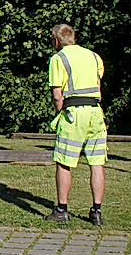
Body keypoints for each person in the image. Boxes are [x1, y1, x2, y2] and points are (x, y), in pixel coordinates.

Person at [44, 24, 107, 226]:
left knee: (64, 161)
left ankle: (62, 208)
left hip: (73, 113)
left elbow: (57, 94)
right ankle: (96, 210)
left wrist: (59, 112)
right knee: (96, 162)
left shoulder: (58, 58)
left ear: (56, 40)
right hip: (96, 112)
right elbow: (98, 85)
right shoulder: (94, 56)